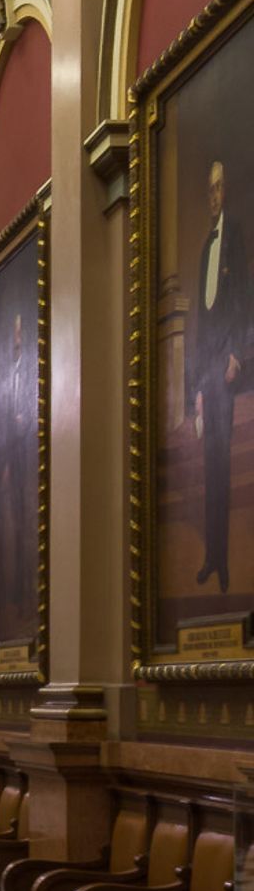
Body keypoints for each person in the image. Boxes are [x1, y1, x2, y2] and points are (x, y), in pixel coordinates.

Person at [192, 161, 250, 595]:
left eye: (218, 188)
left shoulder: (235, 237)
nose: (214, 196)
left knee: (224, 462)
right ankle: (211, 557)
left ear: (226, 191)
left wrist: (237, 356)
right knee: (209, 464)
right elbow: (199, 321)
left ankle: (225, 561)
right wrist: (196, 386)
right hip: (206, 372)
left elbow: (244, 300)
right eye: (209, 190)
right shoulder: (204, 249)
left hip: (226, 364)